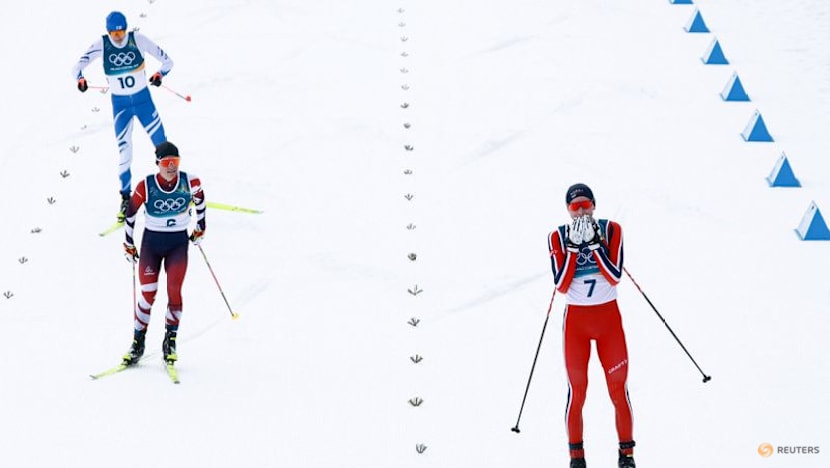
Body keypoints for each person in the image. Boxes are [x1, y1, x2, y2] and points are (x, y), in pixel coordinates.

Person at [547, 183, 635, 468]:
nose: (582, 211)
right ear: (568, 210)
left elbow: (614, 276)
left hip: (608, 321)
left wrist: (596, 245)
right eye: (575, 207)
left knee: (618, 389)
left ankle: (627, 455)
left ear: (594, 205)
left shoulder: (612, 230)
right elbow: (561, 285)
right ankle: (577, 458)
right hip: (577, 325)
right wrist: (573, 248)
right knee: (578, 390)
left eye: (586, 205)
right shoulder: (557, 237)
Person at [71, 11, 175, 221]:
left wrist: (159, 75)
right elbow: (76, 67)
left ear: (126, 29)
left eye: (120, 31)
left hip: (143, 101)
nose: (117, 36)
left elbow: (168, 62)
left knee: (162, 146)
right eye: (113, 32)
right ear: (108, 31)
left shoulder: (138, 39)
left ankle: (171, 188)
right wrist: (81, 79)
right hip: (121, 107)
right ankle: (126, 198)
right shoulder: (101, 44)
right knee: (125, 151)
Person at [122, 141, 205, 365]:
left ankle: (170, 340)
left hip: (178, 243)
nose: (172, 167)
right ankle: (138, 342)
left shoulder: (190, 181)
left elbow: (201, 202)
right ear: (158, 163)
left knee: (174, 291)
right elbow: (130, 214)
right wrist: (128, 244)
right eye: (167, 163)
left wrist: (200, 228)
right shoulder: (145, 186)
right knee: (148, 294)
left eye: (175, 162)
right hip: (152, 244)